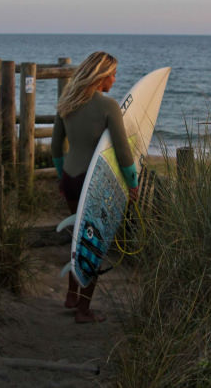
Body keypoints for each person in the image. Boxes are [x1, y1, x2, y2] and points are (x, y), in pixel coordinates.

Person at [51, 51, 139, 323]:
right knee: (95, 244)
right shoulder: (108, 106)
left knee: (78, 236)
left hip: (70, 178)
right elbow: (124, 153)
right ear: (101, 76)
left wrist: (62, 177)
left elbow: (56, 148)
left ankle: (70, 295)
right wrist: (132, 184)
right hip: (94, 184)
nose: (115, 78)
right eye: (112, 73)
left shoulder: (66, 102)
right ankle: (83, 310)